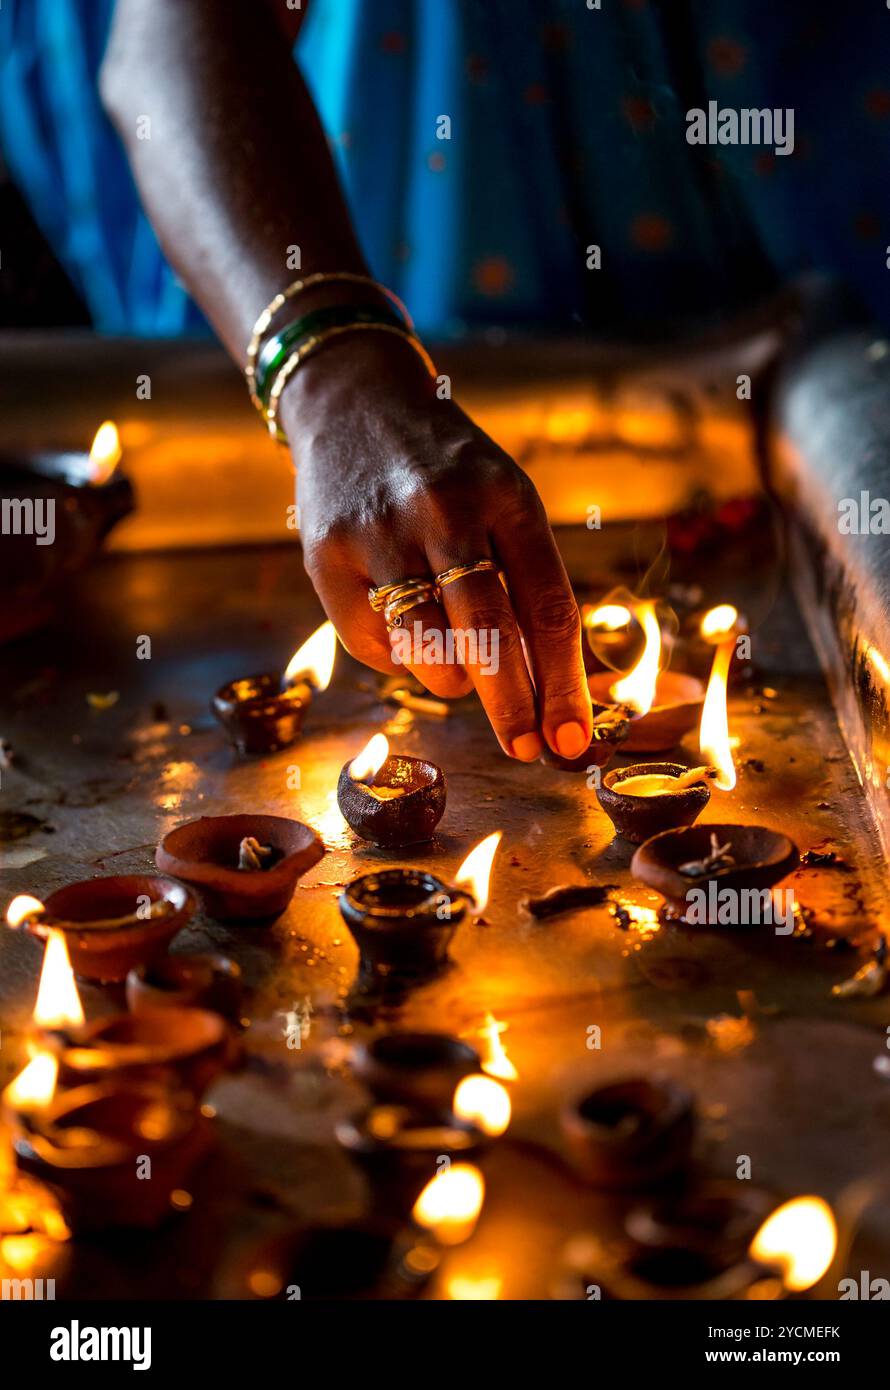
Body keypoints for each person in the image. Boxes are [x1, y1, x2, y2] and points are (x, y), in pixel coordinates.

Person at [4, 1, 890, 760]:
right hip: (409, 194)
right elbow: (170, 39)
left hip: (807, 201)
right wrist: (332, 370)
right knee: (398, 523)